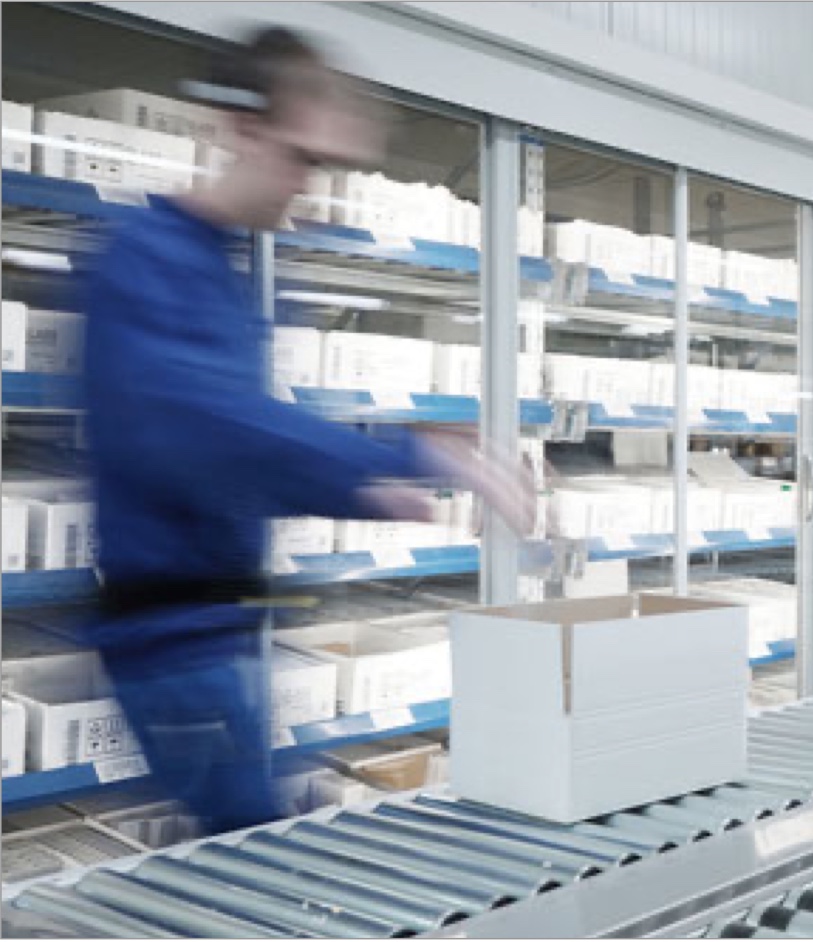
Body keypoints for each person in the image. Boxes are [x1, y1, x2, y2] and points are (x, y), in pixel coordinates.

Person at [84, 26, 533, 834]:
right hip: (174, 652)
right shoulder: (147, 260)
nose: (312, 189)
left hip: (225, 635)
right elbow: (210, 433)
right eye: (304, 158)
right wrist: (407, 455)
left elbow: (253, 445)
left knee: (258, 847)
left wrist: (372, 483)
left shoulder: (228, 272)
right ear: (242, 130)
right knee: (246, 869)